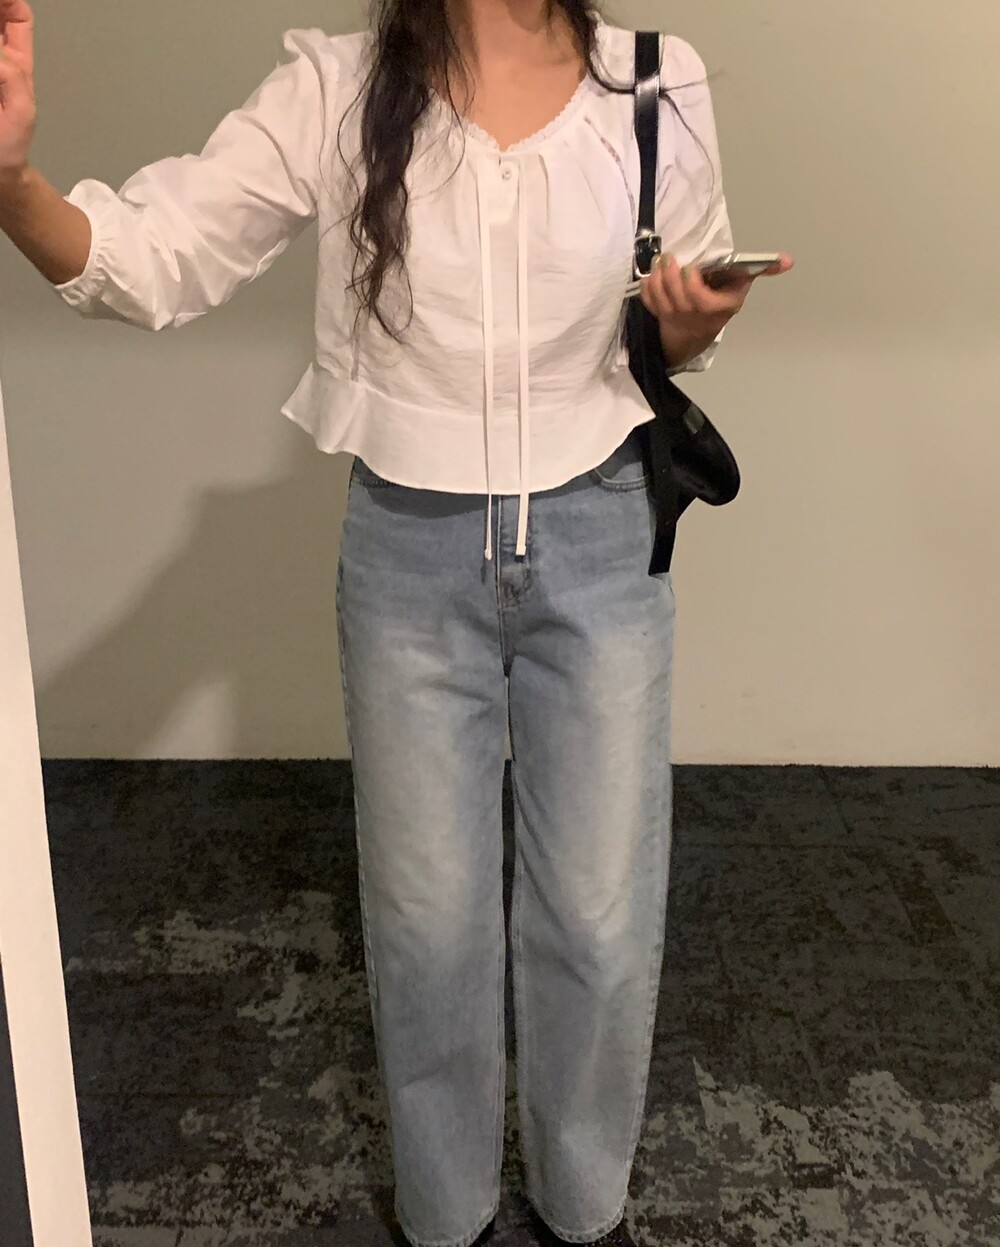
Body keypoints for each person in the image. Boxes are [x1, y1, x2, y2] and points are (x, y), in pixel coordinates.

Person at [0, 1, 793, 1244]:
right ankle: (445, 1213)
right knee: (428, 924)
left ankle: (583, 1206)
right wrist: (12, 184)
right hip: (410, 551)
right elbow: (161, 255)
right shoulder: (339, 85)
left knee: (599, 916)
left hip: (598, 537)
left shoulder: (655, 82)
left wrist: (687, 324)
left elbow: (673, 320)